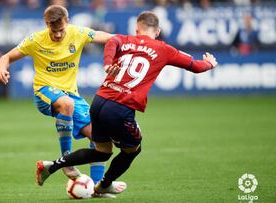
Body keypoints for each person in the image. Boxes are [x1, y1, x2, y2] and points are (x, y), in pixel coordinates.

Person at [36, 11, 218, 196]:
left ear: (136, 28)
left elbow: (111, 42)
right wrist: (209, 63)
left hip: (99, 102)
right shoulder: (164, 49)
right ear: (158, 31)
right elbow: (195, 66)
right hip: (120, 107)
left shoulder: (124, 39)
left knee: (103, 151)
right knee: (133, 148)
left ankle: (53, 166)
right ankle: (104, 185)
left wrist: (107, 65)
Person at [0, 5, 125, 197]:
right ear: (47, 25)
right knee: (67, 104)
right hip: (44, 91)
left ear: (68, 22)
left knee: (100, 139)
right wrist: (2, 68)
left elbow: (109, 38)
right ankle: (67, 162)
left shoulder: (78, 33)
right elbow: (6, 57)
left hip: (71, 94)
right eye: (53, 30)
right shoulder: (35, 40)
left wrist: (131, 43)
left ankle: (98, 187)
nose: (57, 35)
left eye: (61, 30)